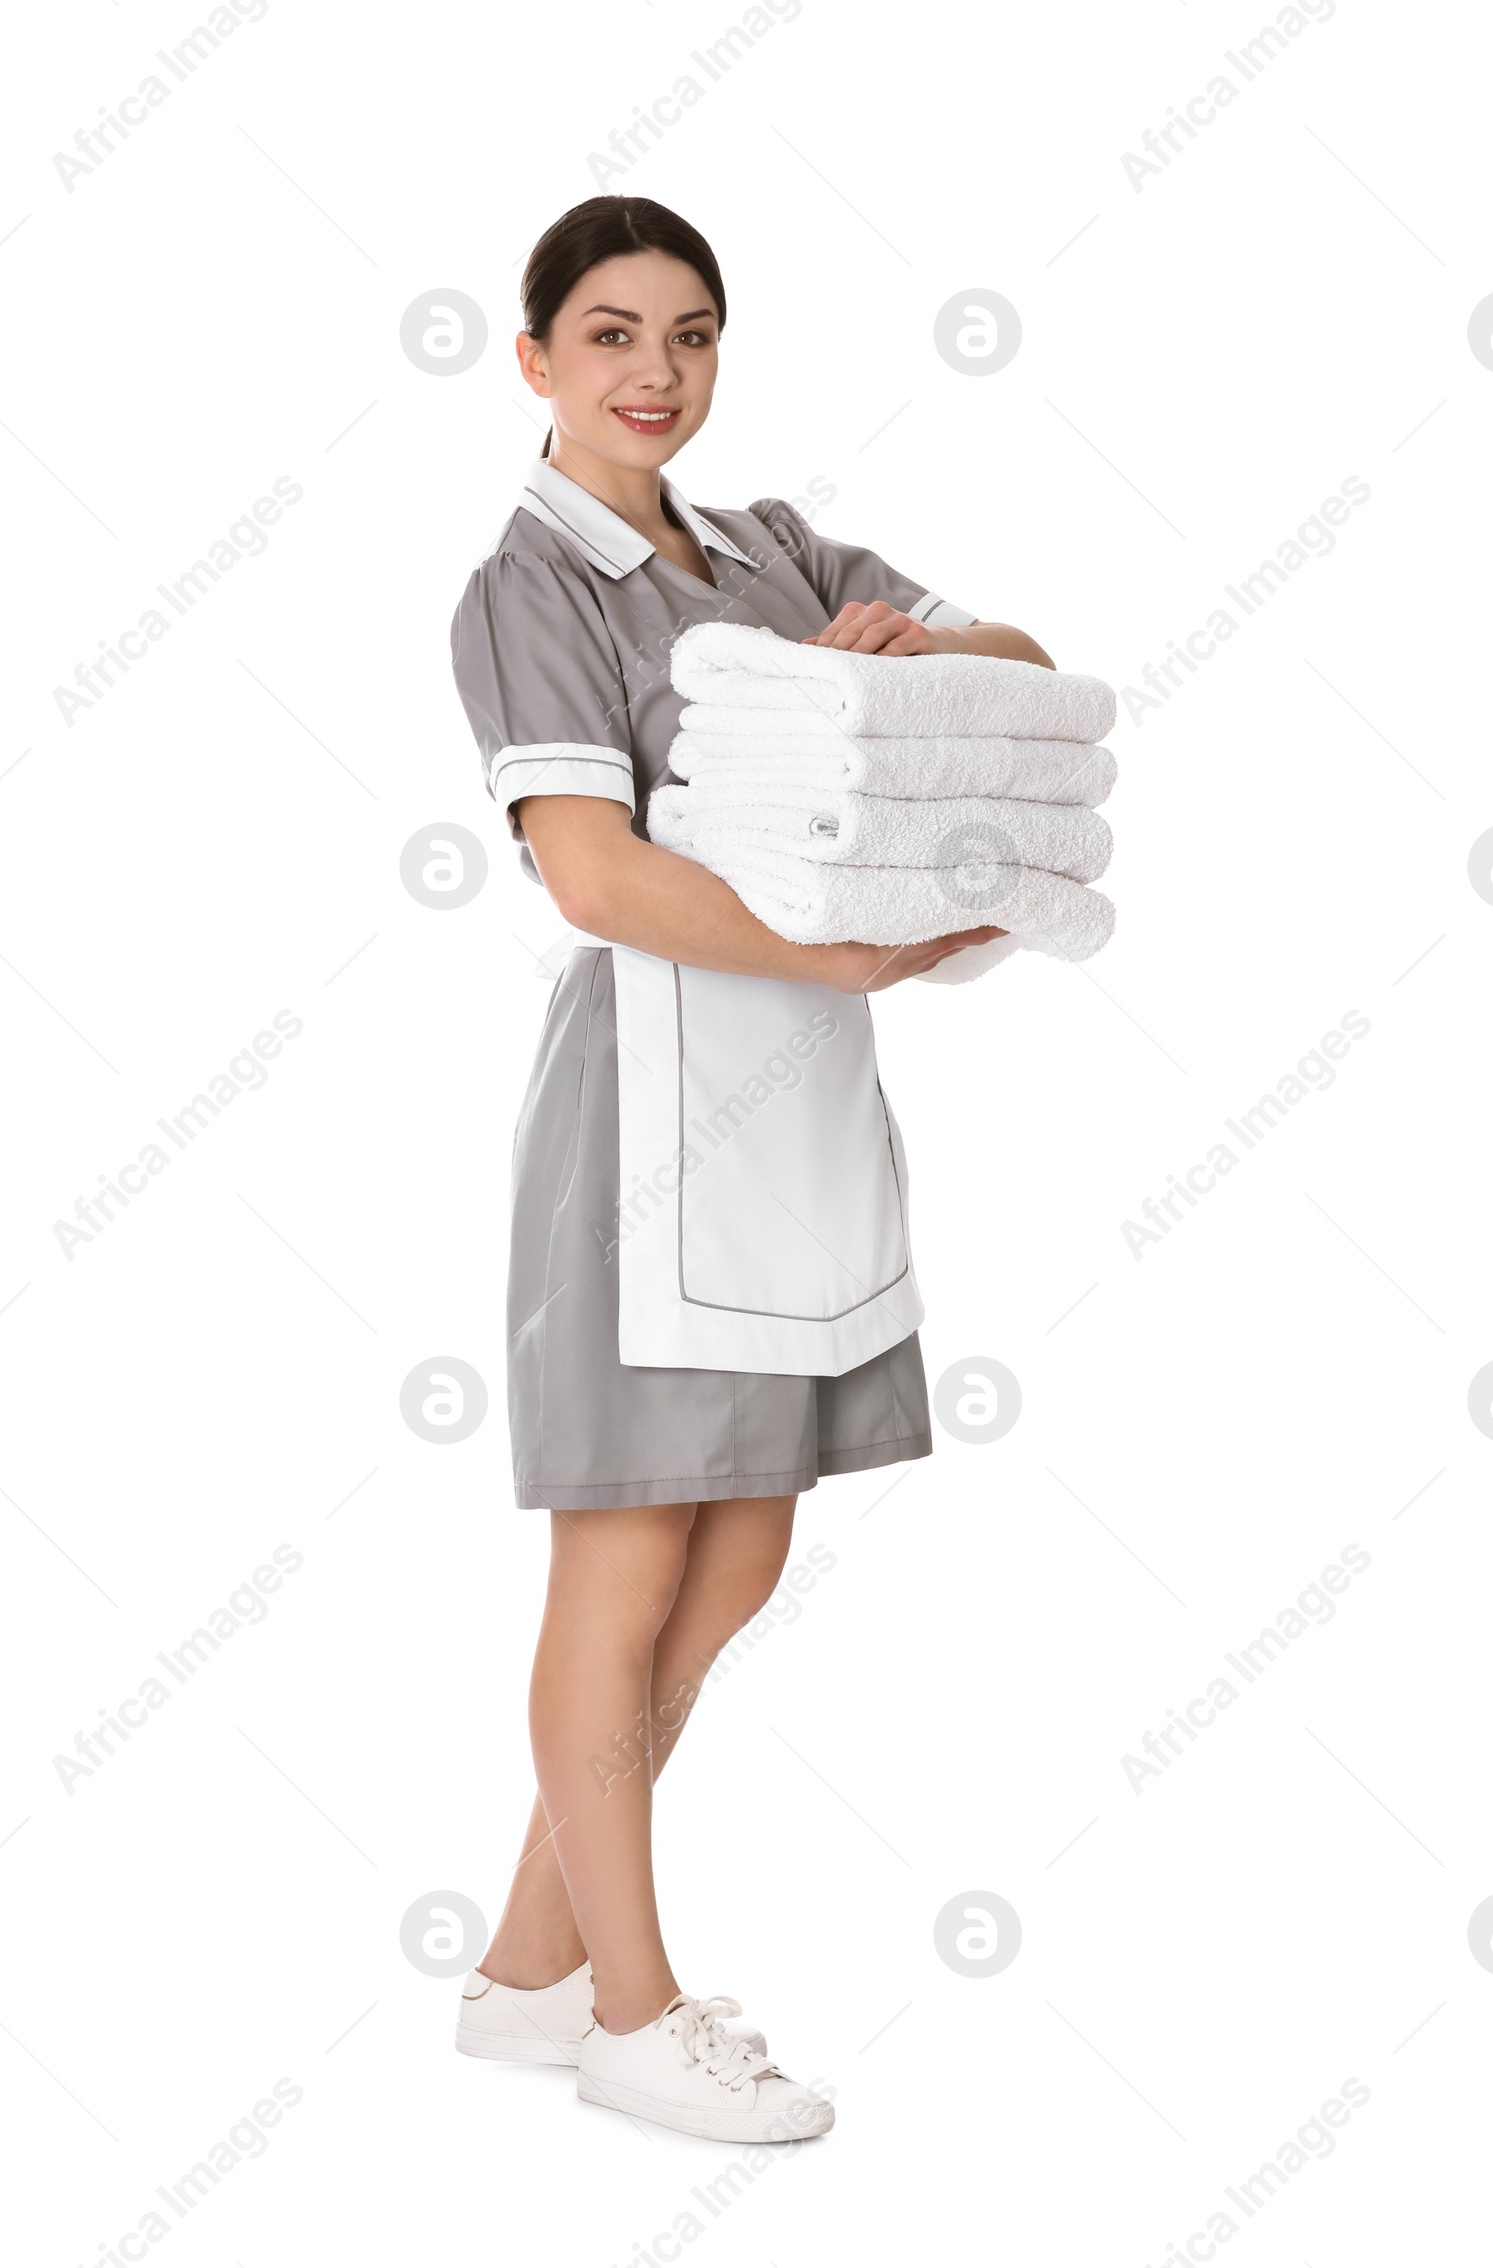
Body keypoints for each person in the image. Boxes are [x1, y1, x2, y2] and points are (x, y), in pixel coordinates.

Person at [448, 193, 1055, 2143]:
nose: (653, 371)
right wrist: (845, 950)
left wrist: (897, 656)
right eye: (610, 332)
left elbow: (1020, 670)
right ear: (533, 355)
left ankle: (531, 1966)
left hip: (795, 1107)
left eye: (689, 336)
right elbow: (591, 869)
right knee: (622, 1562)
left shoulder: (773, 549)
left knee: (740, 1551)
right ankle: (637, 2011)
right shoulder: (525, 587)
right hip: (643, 1121)